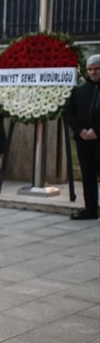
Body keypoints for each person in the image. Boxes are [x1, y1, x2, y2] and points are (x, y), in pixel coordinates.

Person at [65, 54, 100, 220]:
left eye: (97, 69)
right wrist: (81, 131)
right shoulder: (80, 90)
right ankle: (91, 208)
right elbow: (69, 113)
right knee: (88, 174)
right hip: (83, 140)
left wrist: (96, 131)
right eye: (90, 69)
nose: (93, 72)